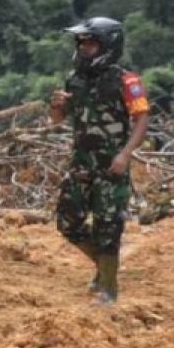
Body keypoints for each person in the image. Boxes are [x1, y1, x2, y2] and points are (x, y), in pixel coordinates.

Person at [49, 17, 150, 305]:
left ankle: (109, 289)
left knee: (108, 226)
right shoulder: (75, 80)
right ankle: (103, 269)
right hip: (81, 164)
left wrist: (125, 154)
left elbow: (142, 119)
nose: (84, 48)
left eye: (90, 43)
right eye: (81, 43)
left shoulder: (127, 81)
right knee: (68, 222)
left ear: (108, 45)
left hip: (112, 166)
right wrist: (55, 105)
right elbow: (57, 119)